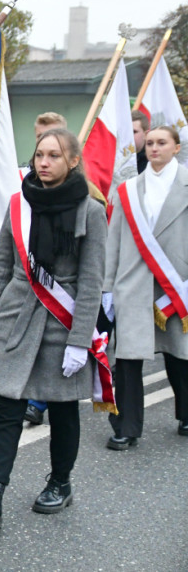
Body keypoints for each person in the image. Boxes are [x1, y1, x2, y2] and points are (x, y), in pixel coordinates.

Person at [0, 128, 106, 530]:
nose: (43, 162)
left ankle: (60, 482)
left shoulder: (91, 211)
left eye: (54, 156)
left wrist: (81, 340)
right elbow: (1, 266)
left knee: (61, 412)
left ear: (72, 161)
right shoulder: (19, 203)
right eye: (40, 154)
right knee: (7, 409)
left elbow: (92, 281)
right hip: (17, 316)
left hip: (63, 322)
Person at [103, 125, 188, 448]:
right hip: (134, 283)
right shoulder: (127, 189)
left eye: (161, 142)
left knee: (181, 356)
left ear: (176, 147)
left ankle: (186, 413)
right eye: (149, 142)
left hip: (177, 281)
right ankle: (126, 425)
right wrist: (107, 287)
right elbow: (114, 241)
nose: (154, 148)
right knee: (127, 357)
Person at [19, 111, 69, 426]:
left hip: (61, 285)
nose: (43, 149)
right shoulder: (21, 179)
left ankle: (38, 402)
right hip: (27, 276)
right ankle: (32, 398)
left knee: (53, 350)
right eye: (39, 139)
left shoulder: (80, 187)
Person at [132, 109, 151, 174]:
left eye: (134, 132)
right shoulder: (114, 156)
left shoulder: (153, 160)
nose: (129, 136)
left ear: (146, 134)